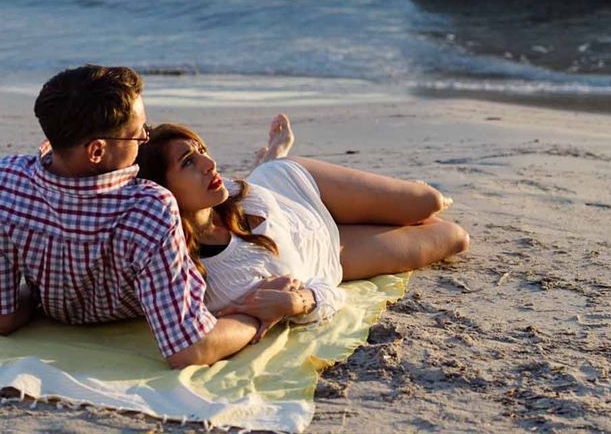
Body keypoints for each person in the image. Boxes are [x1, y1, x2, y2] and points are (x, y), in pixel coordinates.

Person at [0, 64, 266, 368]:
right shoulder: (149, 208)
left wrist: (47, 295)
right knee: (250, 190)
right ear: (96, 152)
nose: (147, 138)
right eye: (138, 136)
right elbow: (189, 348)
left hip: (56, 292)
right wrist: (255, 317)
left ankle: (269, 160)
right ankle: (269, 161)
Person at [135, 114, 469, 341]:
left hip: (295, 187)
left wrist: (269, 168)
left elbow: (243, 191)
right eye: (189, 162)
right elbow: (327, 293)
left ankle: (272, 160)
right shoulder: (217, 284)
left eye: (202, 151)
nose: (210, 163)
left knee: (430, 202)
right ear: (163, 192)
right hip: (334, 255)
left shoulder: (230, 192)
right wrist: (299, 303)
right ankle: (269, 161)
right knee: (454, 237)